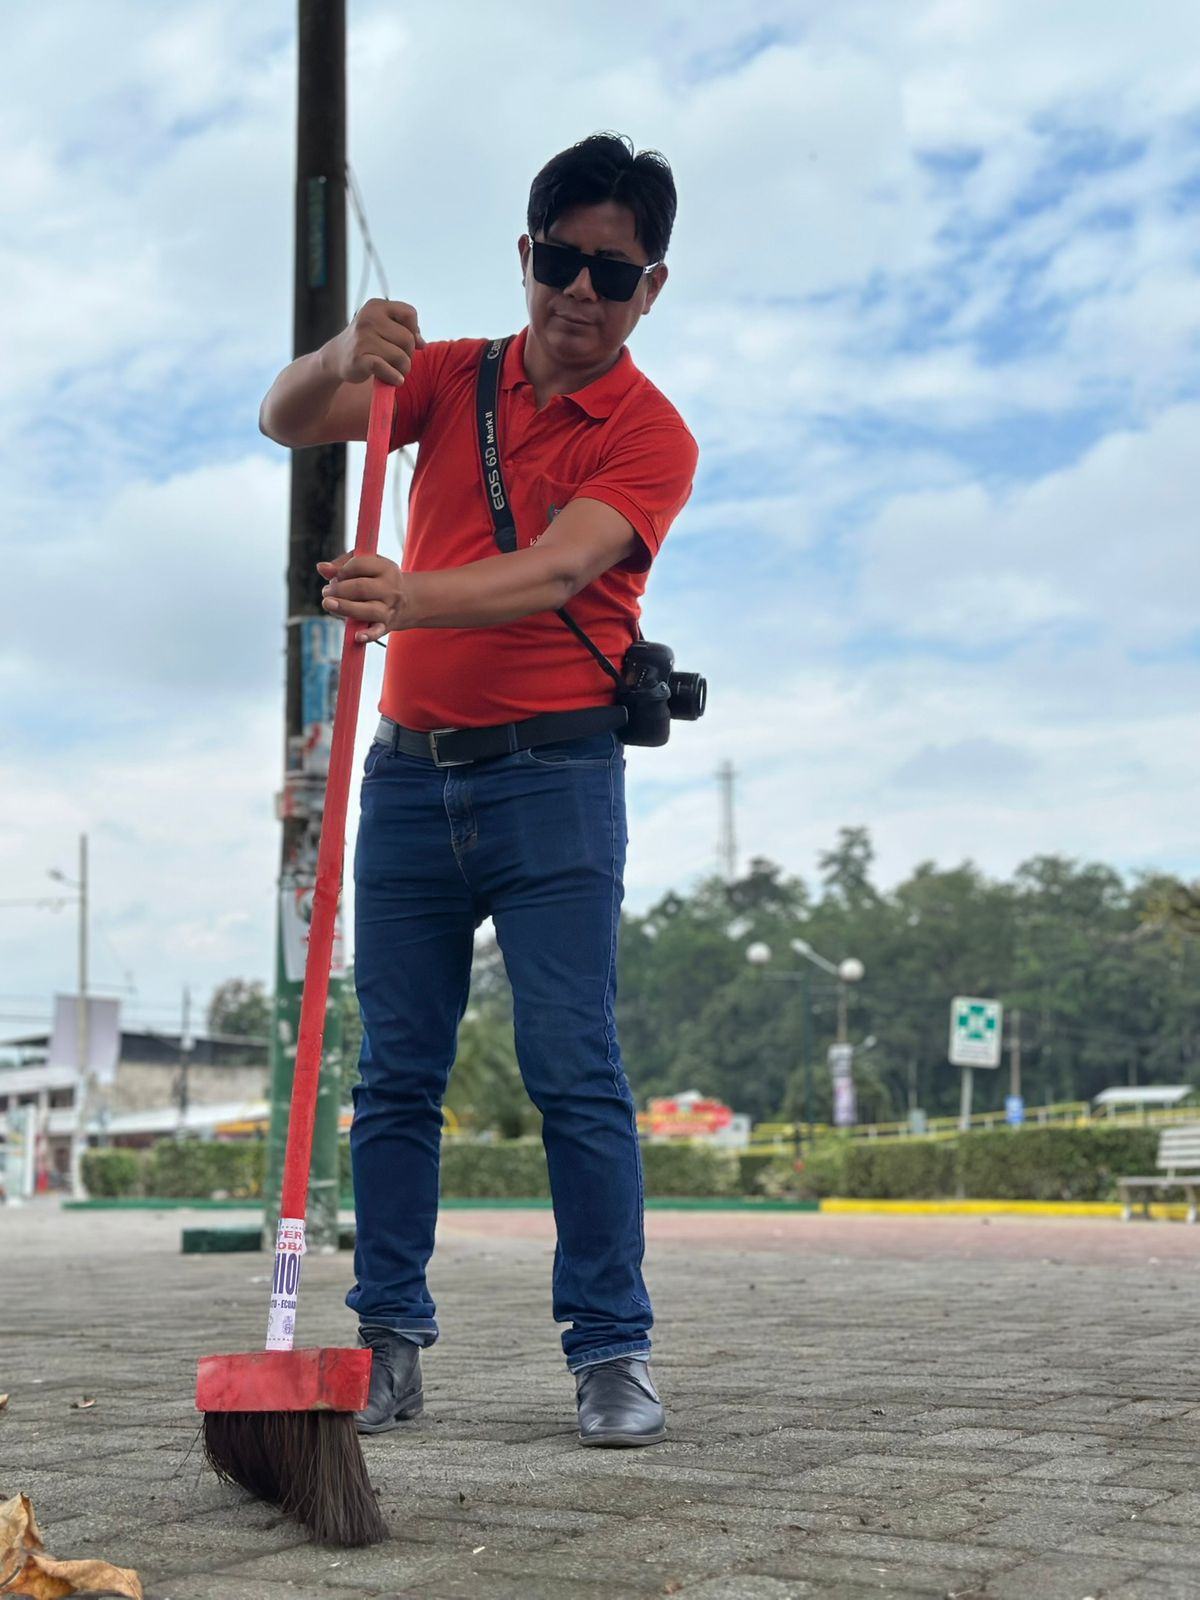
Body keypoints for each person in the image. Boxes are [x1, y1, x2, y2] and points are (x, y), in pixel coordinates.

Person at [258, 132, 698, 1447]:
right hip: (407, 782)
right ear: (526, 256)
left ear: (650, 289)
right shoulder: (447, 378)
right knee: (395, 1075)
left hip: (556, 783)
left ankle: (610, 1352)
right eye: (562, 260)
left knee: (574, 1069)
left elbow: (558, 570)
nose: (581, 293)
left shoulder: (651, 434)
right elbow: (285, 418)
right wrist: (344, 354)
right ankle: (387, 1343)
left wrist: (407, 598)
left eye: (612, 274)